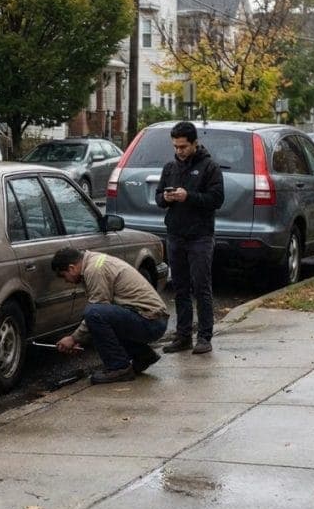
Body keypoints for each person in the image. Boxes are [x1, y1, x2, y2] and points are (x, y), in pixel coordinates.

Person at [156, 121, 225, 355]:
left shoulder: (209, 168)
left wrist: (189, 196)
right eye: (175, 146)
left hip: (200, 236)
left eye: (183, 146)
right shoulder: (169, 168)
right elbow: (158, 197)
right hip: (175, 233)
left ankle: (204, 336)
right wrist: (167, 198)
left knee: (201, 286)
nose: (179, 151)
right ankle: (182, 335)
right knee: (180, 287)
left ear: (194, 143)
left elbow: (216, 199)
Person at [51, 248, 169, 384]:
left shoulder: (94, 270)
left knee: (93, 313)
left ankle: (119, 368)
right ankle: (143, 355)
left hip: (151, 322)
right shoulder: (94, 262)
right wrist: (80, 338)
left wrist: (73, 338)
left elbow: (97, 311)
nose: (67, 281)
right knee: (98, 317)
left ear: (71, 268)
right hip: (152, 319)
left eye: (64, 276)